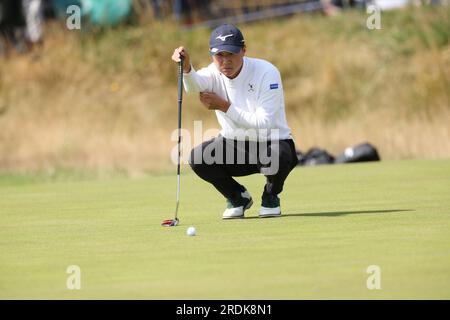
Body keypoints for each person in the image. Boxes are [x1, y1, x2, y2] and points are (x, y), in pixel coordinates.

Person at [171, 23, 298, 219]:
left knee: (279, 156)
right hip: (234, 146)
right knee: (199, 158)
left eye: (230, 54)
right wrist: (186, 68)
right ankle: (238, 197)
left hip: (272, 142)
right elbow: (193, 85)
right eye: (219, 55)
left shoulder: (266, 72)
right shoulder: (214, 72)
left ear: (244, 50)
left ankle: (271, 195)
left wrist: (224, 106)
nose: (225, 61)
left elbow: (264, 123)